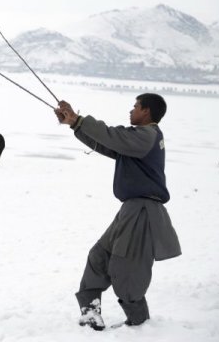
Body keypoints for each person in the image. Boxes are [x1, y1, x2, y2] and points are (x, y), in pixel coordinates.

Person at [55, 93, 181, 330]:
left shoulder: (147, 135)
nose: (131, 110)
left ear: (146, 112)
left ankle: (139, 324)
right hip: (130, 209)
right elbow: (108, 144)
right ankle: (90, 314)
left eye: (135, 106)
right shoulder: (138, 139)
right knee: (98, 256)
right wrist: (74, 124)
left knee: (127, 268)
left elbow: (112, 136)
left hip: (142, 211)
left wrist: (79, 120)